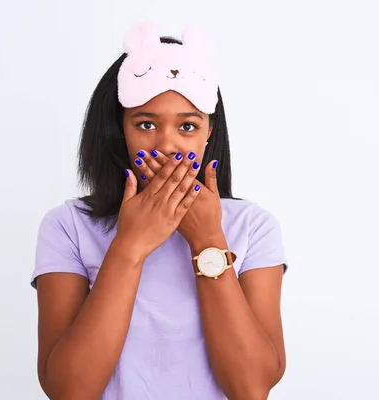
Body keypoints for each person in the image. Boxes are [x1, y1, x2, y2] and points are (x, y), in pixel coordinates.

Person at [30, 21, 288, 400]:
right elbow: (69, 391)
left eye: (187, 126)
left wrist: (208, 240)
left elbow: (250, 388)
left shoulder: (254, 227)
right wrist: (130, 246)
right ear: (119, 129)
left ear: (208, 133)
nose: (167, 145)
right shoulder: (67, 226)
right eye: (146, 124)